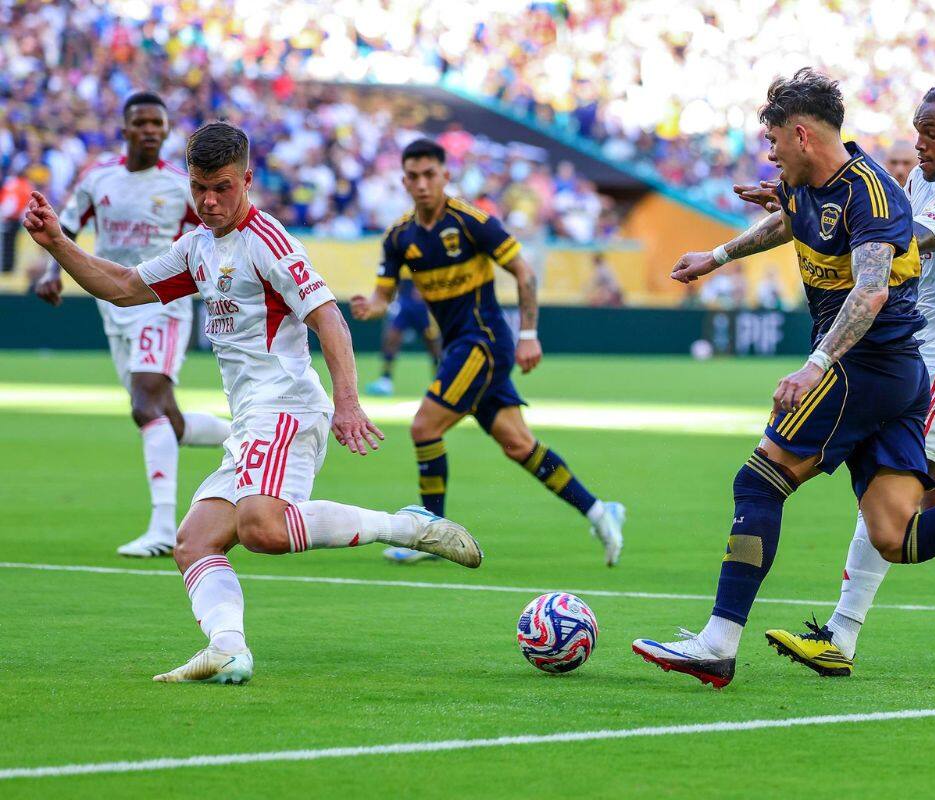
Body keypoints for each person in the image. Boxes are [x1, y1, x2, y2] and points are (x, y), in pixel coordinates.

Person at [631, 69, 935, 689]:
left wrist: (817, 364)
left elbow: (872, 282)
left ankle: (719, 642)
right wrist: (718, 256)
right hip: (909, 369)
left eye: (776, 140)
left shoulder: (883, 194)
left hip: (879, 362)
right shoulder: (819, 180)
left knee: (758, 483)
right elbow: (794, 218)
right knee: (897, 532)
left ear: (803, 135)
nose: (770, 152)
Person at [22, 121, 483, 685]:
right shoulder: (197, 247)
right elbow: (122, 285)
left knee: (262, 529)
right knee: (195, 541)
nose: (209, 201)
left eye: (221, 187)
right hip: (251, 420)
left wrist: (348, 403)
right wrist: (59, 243)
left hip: (287, 406)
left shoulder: (269, 241)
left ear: (247, 179)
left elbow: (328, 317)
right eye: (198, 189)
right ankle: (229, 648)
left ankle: (407, 528)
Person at [352, 139, 625, 566]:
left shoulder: (471, 222)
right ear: (404, 180)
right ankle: (599, 510)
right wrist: (371, 307)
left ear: (446, 176)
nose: (422, 184)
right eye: (414, 177)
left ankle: (433, 534)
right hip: (460, 349)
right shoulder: (399, 237)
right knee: (519, 445)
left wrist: (529, 333)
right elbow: (382, 295)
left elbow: (523, 269)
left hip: (482, 341)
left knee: (424, 427)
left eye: (430, 175)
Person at [33, 92, 233, 558]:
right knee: (167, 419)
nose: (149, 130)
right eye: (140, 122)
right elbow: (65, 231)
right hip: (114, 302)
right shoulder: (98, 178)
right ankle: (248, 436)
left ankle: (164, 528)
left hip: (163, 303)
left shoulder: (182, 185)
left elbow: (217, 230)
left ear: (165, 131)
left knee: (145, 405)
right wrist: (50, 272)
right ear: (125, 129)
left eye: (157, 123)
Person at [365, 263, 441, 397]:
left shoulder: (429, 245)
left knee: (433, 342)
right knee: (391, 336)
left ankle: (440, 381)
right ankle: (385, 381)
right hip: (404, 301)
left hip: (424, 302)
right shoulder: (398, 245)